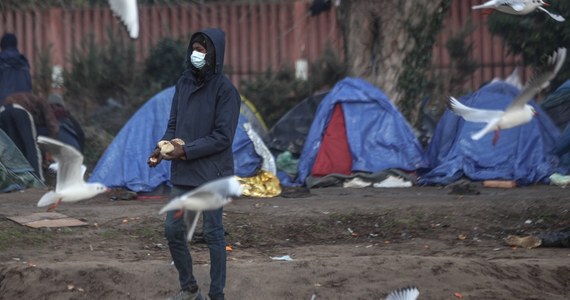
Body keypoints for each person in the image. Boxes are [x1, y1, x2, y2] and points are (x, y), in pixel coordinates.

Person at [147, 28, 240, 300]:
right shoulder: (184, 83)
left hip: (213, 174)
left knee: (213, 233)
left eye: (202, 50)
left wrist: (185, 150)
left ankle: (216, 294)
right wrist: (162, 147)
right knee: (173, 229)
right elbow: (173, 124)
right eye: (194, 49)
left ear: (214, 54)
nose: (196, 55)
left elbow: (223, 138)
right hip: (184, 173)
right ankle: (189, 288)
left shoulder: (226, 91)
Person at [0, 92, 58, 181]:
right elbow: (54, 127)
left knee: (12, 149)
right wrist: (49, 148)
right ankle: (38, 179)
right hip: (20, 110)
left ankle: (16, 180)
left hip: (2, 111)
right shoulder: (44, 104)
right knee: (32, 147)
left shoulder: (31, 100)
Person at [0, 33, 33, 104]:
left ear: (2, 45)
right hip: (23, 105)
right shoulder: (24, 63)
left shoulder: (1, 61)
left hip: (3, 106)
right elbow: (29, 87)